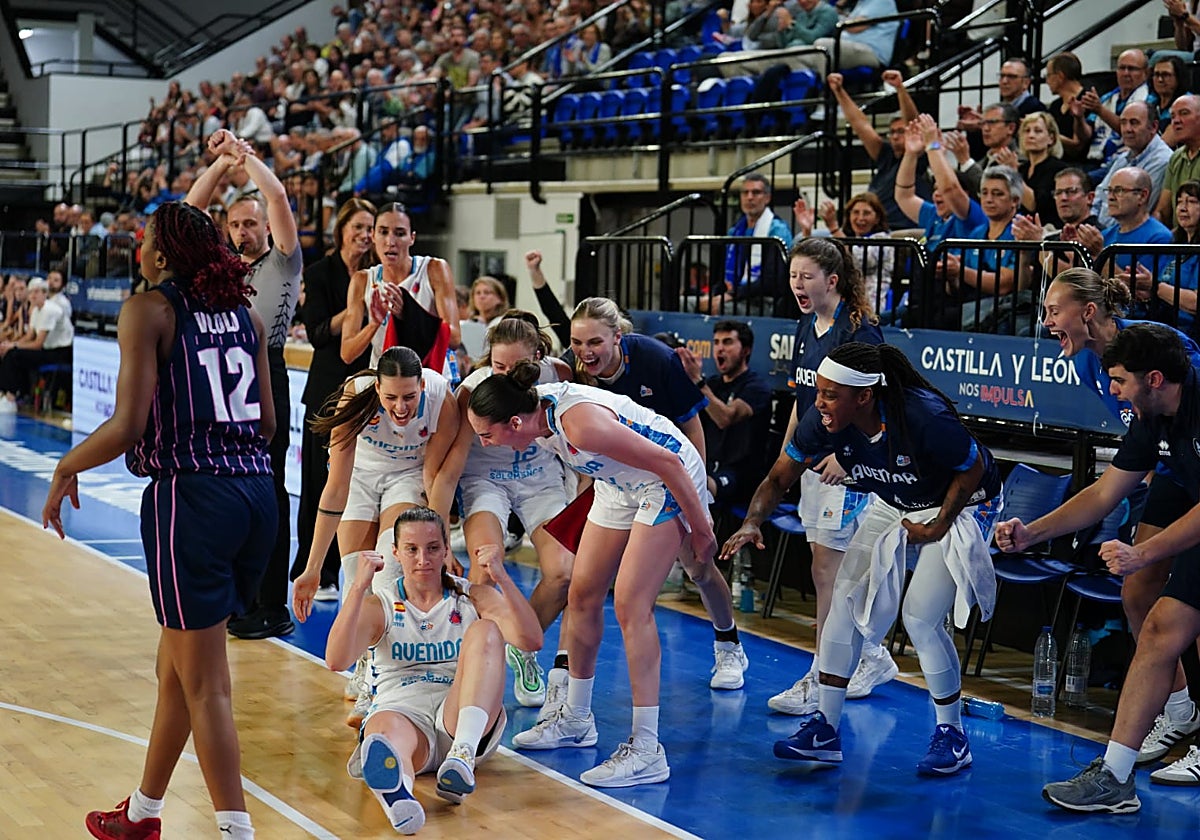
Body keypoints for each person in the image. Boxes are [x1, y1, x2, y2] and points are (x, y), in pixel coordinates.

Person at [42, 202, 276, 839]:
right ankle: (143, 814)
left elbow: (127, 427)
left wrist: (66, 465)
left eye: (145, 240)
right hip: (258, 494)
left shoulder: (149, 310)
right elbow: (268, 426)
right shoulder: (246, 315)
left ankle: (235, 831)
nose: (138, 250)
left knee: (209, 687)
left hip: (193, 502)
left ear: (163, 254)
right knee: (174, 670)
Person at [724, 341, 1002, 776]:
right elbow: (780, 475)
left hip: (963, 503)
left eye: (830, 394)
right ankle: (825, 731)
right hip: (896, 503)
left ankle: (953, 736)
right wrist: (753, 522)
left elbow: (973, 469)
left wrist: (939, 527)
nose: (819, 402)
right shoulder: (823, 422)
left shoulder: (923, 415)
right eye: (818, 391)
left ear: (865, 396)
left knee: (921, 617)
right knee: (844, 607)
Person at [466, 363, 725, 787]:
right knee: (582, 595)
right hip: (619, 484)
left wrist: (701, 529)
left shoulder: (580, 425)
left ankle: (647, 749)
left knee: (630, 604)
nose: (483, 442)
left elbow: (668, 463)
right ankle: (576, 718)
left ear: (514, 423)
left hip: (667, 478)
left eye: (487, 434)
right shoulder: (536, 419)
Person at [996, 324, 1200, 811]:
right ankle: (1115, 776)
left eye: (1118, 381)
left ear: (1153, 378)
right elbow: (1105, 493)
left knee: (1171, 623)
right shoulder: (1152, 417)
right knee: (1158, 629)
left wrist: (1144, 553)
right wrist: (1033, 533)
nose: (1111, 391)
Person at [565, 296, 745, 685]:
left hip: (669, 472)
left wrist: (696, 494)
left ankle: (729, 645)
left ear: (617, 336)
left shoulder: (656, 359)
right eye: (578, 343)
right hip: (617, 479)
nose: (585, 352)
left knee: (697, 564)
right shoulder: (575, 367)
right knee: (585, 585)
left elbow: (693, 426)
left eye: (594, 342)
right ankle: (567, 678)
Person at [327, 509, 542, 833]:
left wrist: (502, 578)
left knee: (486, 631)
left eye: (431, 548)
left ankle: (462, 756)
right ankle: (400, 797)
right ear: (395, 553)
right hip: (405, 712)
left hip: (462, 714)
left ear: (445, 550)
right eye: (412, 549)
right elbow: (336, 660)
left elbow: (531, 639)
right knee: (383, 731)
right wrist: (358, 588)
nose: (422, 558)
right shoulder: (381, 604)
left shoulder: (473, 596)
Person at [755, 238, 898, 715]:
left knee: (828, 570)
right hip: (813, 463)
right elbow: (803, 400)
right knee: (827, 570)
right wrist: (785, 458)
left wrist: (848, 458)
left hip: (846, 468)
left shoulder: (859, 332)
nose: (797, 284)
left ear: (832, 280)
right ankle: (869, 656)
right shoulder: (804, 325)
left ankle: (823, 674)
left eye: (807, 276)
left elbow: (880, 404)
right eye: (793, 276)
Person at [292, 346, 460, 727]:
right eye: (391, 397)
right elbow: (335, 488)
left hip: (407, 476)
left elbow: (435, 477)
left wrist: (442, 540)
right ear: (377, 390)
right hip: (361, 476)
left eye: (408, 397)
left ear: (422, 385)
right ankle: (365, 662)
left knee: (386, 574)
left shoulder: (440, 398)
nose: (400, 407)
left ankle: (377, 680)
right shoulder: (356, 396)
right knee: (355, 578)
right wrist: (313, 566)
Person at [185, 128, 301, 642]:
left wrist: (244, 157)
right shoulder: (220, 266)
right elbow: (186, 217)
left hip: (267, 368)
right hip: (229, 369)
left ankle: (272, 603)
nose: (241, 232)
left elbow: (276, 195)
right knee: (232, 490)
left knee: (269, 490)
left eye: (250, 223)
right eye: (233, 224)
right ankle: (242, 596)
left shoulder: (283, 259)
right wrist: (218, 166)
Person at [437, 313, 575, 711]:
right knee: (483, 567)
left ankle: (521, 645)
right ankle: (477, 664)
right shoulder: (472, 391)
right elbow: (449, 467)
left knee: (564, 572)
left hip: (541, 480)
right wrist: (442, 535)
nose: (507, 375)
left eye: (517, 367)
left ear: (537, 355)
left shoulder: (559, 373)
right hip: (487, 481)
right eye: (499, 366)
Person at [291, 197, 377, 602]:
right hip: (328, 387)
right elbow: (318, 332)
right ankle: (313, 568)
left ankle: (354, 567)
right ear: (341, 230)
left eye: (369, 228)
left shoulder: (378, 274)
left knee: (359, 482)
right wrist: (357, 307)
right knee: (318, 482)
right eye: (357, 227)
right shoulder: (321, 272)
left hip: (369, 387)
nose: (364, 235)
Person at [340, 202, 460, 375]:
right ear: (373, 236)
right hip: (385, 380)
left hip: (428, 375)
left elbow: (454, 338)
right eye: (383, 232)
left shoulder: (434, 269)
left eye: (399, 233)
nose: (390, 241)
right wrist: (374, 324)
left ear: (412, 238)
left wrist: (409, 313)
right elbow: (347, 353)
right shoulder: (362, 280)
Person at [675, 319, 772, 507]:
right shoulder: (712, 384)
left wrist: (697, 381)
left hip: (741, 475)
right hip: (709, 465)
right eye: (716, 342)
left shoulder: (757, 387)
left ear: (746, 350)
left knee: (695, 486)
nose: (720, 348)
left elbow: (725, 418)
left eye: (727, 342)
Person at [823, 70, 927, 232]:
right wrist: (839, 91)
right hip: (870, 229)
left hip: (896, 230)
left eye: (901, 131)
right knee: (806, 237)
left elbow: (914, 122)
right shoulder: (886, 154)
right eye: (892, 132)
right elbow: (860, 124)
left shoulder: (917, 157)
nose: (895, 136)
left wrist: (900, 88)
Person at [894, 114, 987, 256]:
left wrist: (932, 145)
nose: (937, 193)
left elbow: (950, 189)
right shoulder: (933, 214)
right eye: (935, 189)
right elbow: (903, 195)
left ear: (965, 193)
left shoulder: (971, 214)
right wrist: (910, 154)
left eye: (941, 189)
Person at [700, 173, 794, 314]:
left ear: (767, 198)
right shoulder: (735, 231)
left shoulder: (777, 230)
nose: (750, 197)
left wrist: (731, 295)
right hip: (734, 296)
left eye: (756, 192)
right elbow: (722, 275)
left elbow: (772, 281)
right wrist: (715, 294)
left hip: (761, 300)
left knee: (719, 309)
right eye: (745, 193)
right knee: (686, 302)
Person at [1090, 102, 1172, 230]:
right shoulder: (1122, 159)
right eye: (1123, 122)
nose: (1127, 129)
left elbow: (1134, 212)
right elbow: (1100, 195)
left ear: (1154, 127)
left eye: (1134, 123)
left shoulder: (1162, 161)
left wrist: (1103, 235)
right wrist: (1092, 225)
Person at [0, 276, 74, 413]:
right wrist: (11, 344)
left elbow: (38, 343)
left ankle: (11, 398)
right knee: (9, 352)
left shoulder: (49, 310)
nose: (33, 295)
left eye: (37, 292)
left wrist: (14, 346)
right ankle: (8, 393)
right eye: (31, 292)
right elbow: (29, 336)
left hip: (61, 352)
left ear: (45, 293)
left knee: (14, 355)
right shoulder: (36, 310)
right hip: (47, 349)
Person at [815, 191, 895, 312]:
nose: (861, 218)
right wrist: (806, 230)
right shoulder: (849, 239)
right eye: (856, 212)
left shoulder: (882, 239)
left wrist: (833, 227)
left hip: (872, 305)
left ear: (877, 218)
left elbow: (859, 260)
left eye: (866, 213)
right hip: (845, 300)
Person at [1083, 49, 1152, 175]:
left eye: (1132, 69)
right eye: (1122, 68)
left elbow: (1130, 130)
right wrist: (1077, 118)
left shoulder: (1149, 100)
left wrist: (1100, 110)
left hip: (1126, 161)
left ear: (1146, 73)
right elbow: (1086, 136)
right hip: (1095, 158)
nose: (1126, 73)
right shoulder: (1106, 98)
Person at [1012, 111, 1069, 227]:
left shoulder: (1058, 169)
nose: (1031, 135)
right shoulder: (1023, 169)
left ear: (1051, 139)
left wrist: (1013, 172)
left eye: (1038, 131)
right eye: (1026, 131)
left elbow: (1034, 205)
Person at [1156, 95, 1200, 226]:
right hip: (1180, 240)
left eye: (1184, 113)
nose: (1176, 121)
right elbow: (1162, 211)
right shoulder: (1176, 157)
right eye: (1173, 116)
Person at [1043, 51, 1092, 163]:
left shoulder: (1087, 100)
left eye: (1049, 75)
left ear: (1060, 76)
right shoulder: (1055, 106)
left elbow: (1077, 145)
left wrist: (1046, 135)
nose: (1047, 81)